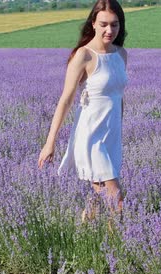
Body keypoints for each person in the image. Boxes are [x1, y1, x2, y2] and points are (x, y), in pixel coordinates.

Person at [37, 0, 128, 226]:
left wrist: (120, 128)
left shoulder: (121, 54)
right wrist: (50, 143)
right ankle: (117, 250)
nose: (110, 30)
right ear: (93, 24)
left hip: (111, 135)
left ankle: (85, 231)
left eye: (115, 25)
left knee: (97, 196)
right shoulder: (84, 56)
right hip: (90, 135)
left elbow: (119, 97)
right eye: (104, 24)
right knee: (115, 199)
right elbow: (66, 100)